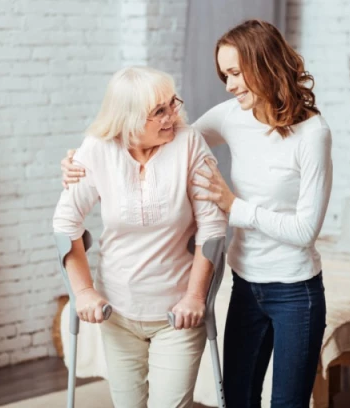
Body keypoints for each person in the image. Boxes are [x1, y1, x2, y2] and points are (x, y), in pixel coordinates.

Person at [60, 19, 333, 408]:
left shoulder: (313, 134)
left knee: (288, 402)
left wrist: (233, 207)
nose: (230, 85)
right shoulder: (233, 115)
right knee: (238, 399)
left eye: (236, 73)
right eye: (225, 75)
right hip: (246, 283)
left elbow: (305, 230)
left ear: (266, 65)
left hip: (295, 289)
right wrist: (82, 161)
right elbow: (169, 138)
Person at [53, 66, 227, 408]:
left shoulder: (189, 143)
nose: (172, 117)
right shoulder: (97, 150)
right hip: (116, 311)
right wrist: (84, 291)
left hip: (177, 313)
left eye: (171, 104)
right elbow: (65, 223)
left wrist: (195, 297)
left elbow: (212, 227)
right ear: (128, 119)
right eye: (158, 112)